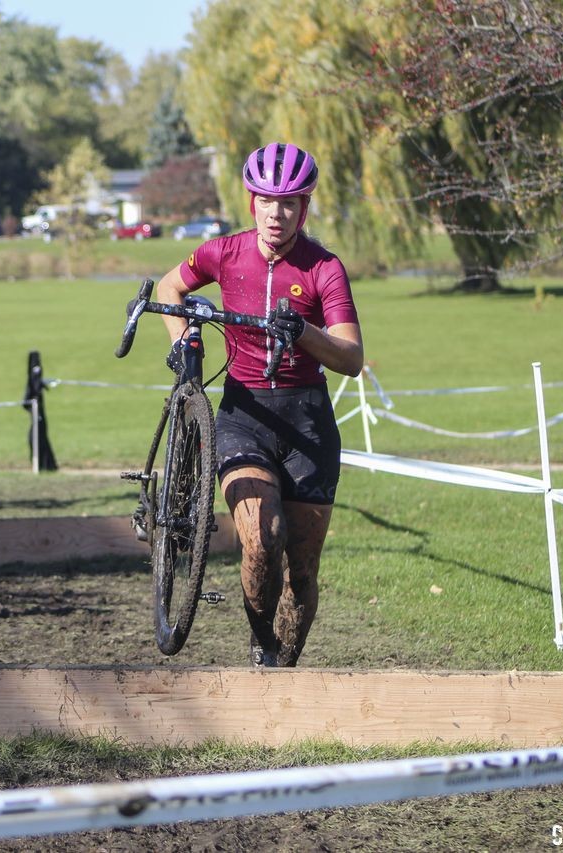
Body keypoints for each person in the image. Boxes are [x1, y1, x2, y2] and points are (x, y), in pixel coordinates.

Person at [154, 142, 364, 668]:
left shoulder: (324, 269)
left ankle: (285, 665)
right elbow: (169, 287)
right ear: (252, 201)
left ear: (304, 208)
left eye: (289, 203)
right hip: (244, 414)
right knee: (263, 537)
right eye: (267, 201)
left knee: (303, 570)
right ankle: (260, 642)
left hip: (308, 421)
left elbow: (352, 357)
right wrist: (182, 342)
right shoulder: (223, 253)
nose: (277, 213)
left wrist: (306, 332)